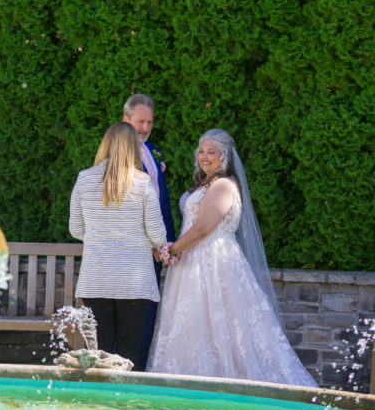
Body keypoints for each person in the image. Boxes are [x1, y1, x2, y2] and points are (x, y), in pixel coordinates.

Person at [147, 128, 318, 386]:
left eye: (211, 152)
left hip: (213, 263)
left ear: (224, 156)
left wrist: (171, 250)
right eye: (201, 151)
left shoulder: (223, 185)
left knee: (220, 321)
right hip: (192, 262)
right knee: (194, 322)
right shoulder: (206, 184)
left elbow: (204, 228)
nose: (205, 157)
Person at [69, 122, 166, 369]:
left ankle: (98, 403)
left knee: (98, 352)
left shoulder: (84, 178)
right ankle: (126, 402)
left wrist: (101, 236)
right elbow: (158, 235)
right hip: (134, 281)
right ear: (134, 148)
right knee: (129, 351)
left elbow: (76, 230)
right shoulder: (143, 183)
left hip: (96, 278)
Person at [123, 94, 175, 370]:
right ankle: (127, 370)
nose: (145, 128)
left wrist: (168, 242)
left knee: (148, 313)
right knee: (133, 314)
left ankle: (140, 370)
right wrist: (152, 242)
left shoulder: (152, 149)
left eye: (149, 122)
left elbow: (161, 200)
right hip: (134, 250)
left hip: (157, 248)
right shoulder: (117, 155)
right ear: (126, 120)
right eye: (140, 122)